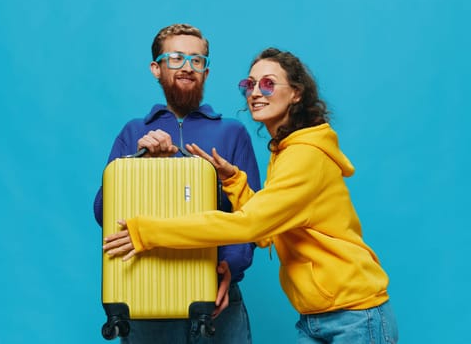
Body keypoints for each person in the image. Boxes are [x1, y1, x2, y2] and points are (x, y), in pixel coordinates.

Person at [103, 47, 400, 343]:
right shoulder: (285, 152)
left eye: (268, 83)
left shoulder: (305, 156)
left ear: (296, 93)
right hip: (317, 317)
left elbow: (249, 226)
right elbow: (266, 234)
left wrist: (148, 231)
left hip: (355, 316)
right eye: (250, 84)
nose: (256, 92)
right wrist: (234, 180)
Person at [94, 23, 261, 344]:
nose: (187, 67)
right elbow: (104, 214)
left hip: (214, 292)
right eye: (176, 58)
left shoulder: (232, 132)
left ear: (206, 73)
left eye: (197, 60)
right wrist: (140, 162)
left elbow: (253, 214)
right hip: (146, 290)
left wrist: (230, 266)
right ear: (156, 69)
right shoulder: (133, 132)